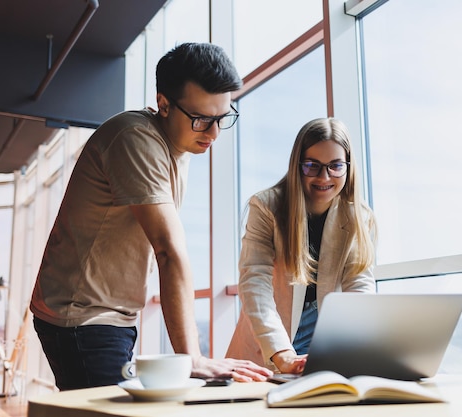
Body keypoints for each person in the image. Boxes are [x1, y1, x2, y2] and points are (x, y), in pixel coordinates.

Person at [29, 42, 272, 391]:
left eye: (223, 117)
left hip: (108, 315)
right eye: (202, 119)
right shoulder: (136, 138)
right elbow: (168, 250)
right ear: (163, 104)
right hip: (81, 317)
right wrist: (192, 358)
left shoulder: (179, 144)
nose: (214, 133)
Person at [226, 117, 377, 374]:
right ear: (298, 166)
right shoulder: (266, 206)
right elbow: (255, 284)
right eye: (312, 166)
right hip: (271, 333)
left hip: (324, 333)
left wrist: (357, 342)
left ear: (348, 167)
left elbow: (359, 285)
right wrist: (280, 351)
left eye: (335, 166)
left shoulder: (358, 215)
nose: (324, 177)